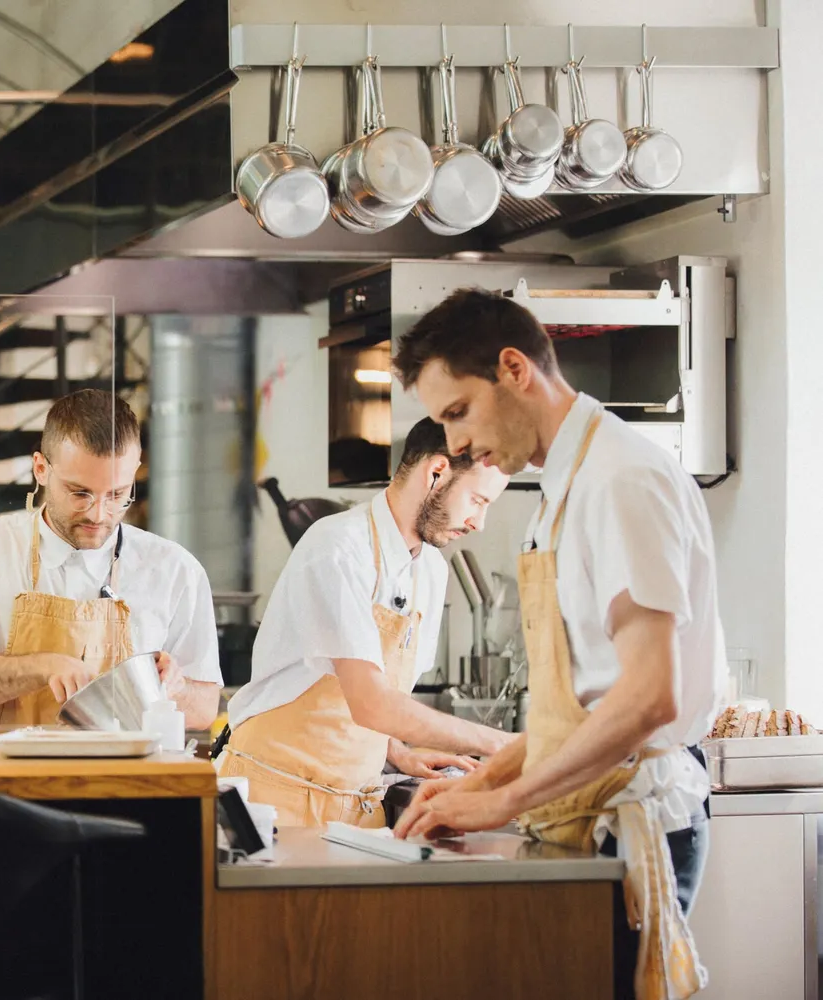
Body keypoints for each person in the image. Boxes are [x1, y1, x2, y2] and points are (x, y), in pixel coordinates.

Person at [391, 288, 725, 1000]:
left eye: (457, 412)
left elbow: (646, 697)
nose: (452, 446)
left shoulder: (622, 480)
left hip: (636, 822)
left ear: (514, 369)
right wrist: (476, 783)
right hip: (587, 811)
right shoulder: (563, 487)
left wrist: (502, 804)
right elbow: (574, 712)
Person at [214, 418, 514, 828]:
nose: (479, 523)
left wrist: (396, 751)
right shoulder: (337, 547)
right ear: (437, 472)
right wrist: (505, 745)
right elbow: (371, 702)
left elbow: (382, 698)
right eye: (479, 501)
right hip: (273, 799)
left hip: (357, 807)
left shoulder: (430, 569)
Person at [0, 389, 222, 747]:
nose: (99, 514)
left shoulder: (175, 568)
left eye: (117, 495)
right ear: (40, 468)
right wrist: (42, 667)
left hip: (127, 794)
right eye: (79, 492)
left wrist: (170, 688)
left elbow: (205, 707)